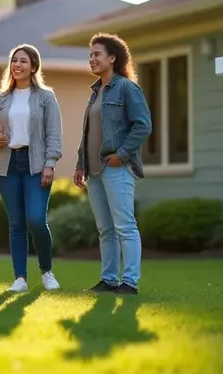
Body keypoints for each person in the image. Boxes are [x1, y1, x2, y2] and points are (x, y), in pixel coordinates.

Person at [73, 33, 152, 295]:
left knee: (124, 225)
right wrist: (80, 164)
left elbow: (143, 125)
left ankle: (129, 282)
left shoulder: (127, 88)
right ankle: (108, 279)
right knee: (105, 229)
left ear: (113, 58)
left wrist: (122, 154)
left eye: (97, 54)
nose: (92, 59)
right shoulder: (95, 92)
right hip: (94, 171)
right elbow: (88, 132)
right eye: (90, 55)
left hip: (117, 167)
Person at [0, 44, 63, 293]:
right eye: (14, 61)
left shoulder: (45, 97)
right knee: (16, 224)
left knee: (36, 219)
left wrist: (50, 164)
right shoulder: (0, 99)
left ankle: (47, 271)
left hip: (36, 165)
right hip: (8, 166)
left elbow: (54, 134)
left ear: (33, 67)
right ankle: (20, 278)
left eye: (23, 61)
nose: (17, 65)